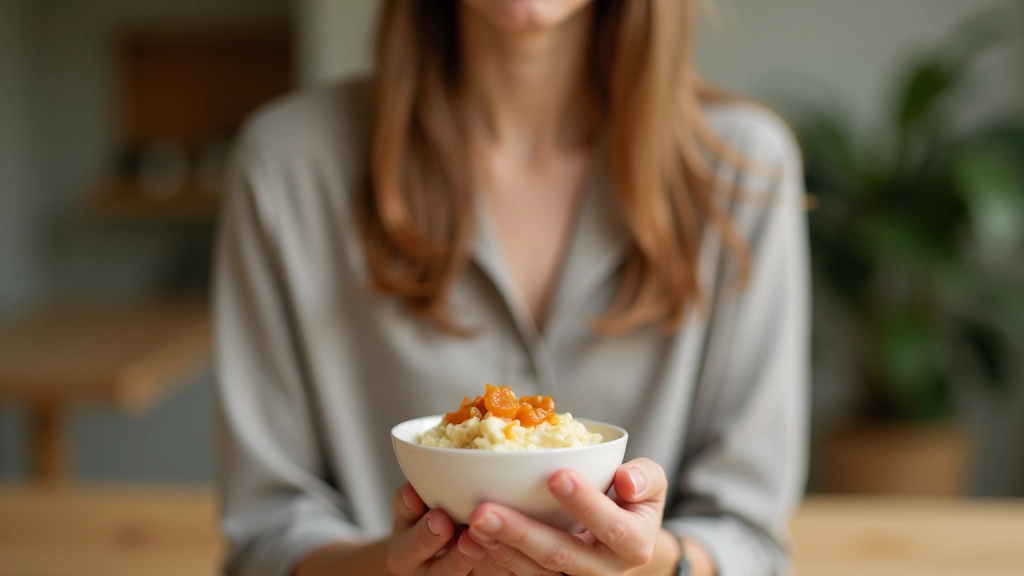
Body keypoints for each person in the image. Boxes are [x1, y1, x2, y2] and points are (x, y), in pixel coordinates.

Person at [214, 0, 809, 575]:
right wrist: (389, 569)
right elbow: (265, 540)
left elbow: (748, 539)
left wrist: (659, 565)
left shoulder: (742, 169)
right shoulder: (287, 165)